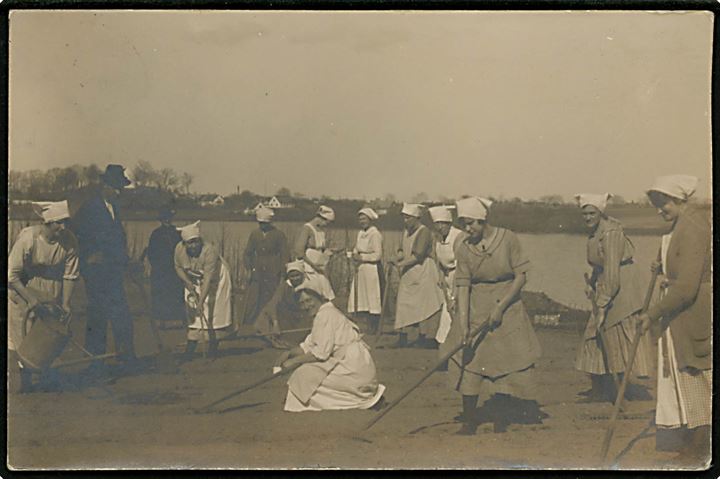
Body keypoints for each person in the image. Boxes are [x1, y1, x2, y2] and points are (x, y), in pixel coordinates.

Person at [440, 197, 543, 436]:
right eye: (464, 224)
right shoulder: (464, 246)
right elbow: (463, 285)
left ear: (482, 220)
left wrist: (500, 307)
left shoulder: (507, 239)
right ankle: (469, 420)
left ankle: (502, 418)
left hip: (508, 304)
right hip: (477, 305)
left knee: (506, 360)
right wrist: (463, 323)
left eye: (471, 224)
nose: (467, 229)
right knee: (471, 360)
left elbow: (521, 277)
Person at [638, 175, 711, 463]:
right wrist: (663, 265)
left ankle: (700, 448)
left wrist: (652, 312)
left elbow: (686, 286)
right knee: (687, 377)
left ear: (680, 200)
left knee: (696, 377)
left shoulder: (692, 227)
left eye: (663, 203)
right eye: (656, 204)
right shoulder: (681, 224)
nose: (659, 210)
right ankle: (693, 441)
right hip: (684, 312)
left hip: (693, 311)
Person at [573, 193, 651, 403]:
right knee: (597, 335)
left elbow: (613, 275)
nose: (588, 217)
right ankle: (601, 388)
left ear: (601, 212)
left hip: (623, 288)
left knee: (616, 336)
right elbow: (602, 266)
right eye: (585, 214)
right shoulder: (595, 232)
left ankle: (620, 390)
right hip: (605, 281)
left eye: (592, 213)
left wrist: (602, 302)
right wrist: (593, 284)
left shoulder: (611, 233)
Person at [274, 276, 386, 412]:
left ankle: (358, 398)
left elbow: (320, 354)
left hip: (353, 367)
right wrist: (289, 353)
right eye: (302, 303)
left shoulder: (325, 315)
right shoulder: (325, 313)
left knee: (303, 374)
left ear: (320, 298)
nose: (306, 306)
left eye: (309, 300)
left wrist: (293, 362)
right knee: (306, 374)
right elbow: (309, 345)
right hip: (354, 364)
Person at [7, 201, 79, 393]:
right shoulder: (28, 239)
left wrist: (66, 302)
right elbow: (11, 275)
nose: (63, 227)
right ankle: (20, 378)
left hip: (52, 288)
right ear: (48, 222)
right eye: (59, 223)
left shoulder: (70, 241)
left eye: (65, 222)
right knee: (23, 330)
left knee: (47, 334)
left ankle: (43, 373)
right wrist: (30, 298)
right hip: (24, 287)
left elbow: (70, 274)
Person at [72, 164, 136, 375]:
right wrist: (89, 255)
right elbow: (75, 234)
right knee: (97, 314)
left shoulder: (113, 208)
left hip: (114, 271)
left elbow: (117, 239)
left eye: (120, 188)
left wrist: (125, 260)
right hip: (96, 272)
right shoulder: (90, 207)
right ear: (105, 186)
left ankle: (125, 357)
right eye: (116, 187)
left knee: (121, 313)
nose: (119, 192)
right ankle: (95, 361)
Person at [174, 221, 235, 361]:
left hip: (216, 280)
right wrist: (188, 283)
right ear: (184, 244)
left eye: (196, 242)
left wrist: (202, 300)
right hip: (193, 278)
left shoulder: (209, 250)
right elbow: (178, 268)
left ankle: (213, 348)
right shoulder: (179, 249)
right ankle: (190, 350)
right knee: (194, 315)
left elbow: (207, 279)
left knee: (214, 313)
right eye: (190, 243)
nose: (193, 245)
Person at [392, 203, 443, 348]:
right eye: (404, 218)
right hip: (409, 272)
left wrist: (400, 265)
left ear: (416, 218)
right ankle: (402, 337)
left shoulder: (424, 232)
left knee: (424, 307)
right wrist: (398, 257)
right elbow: (402, 249)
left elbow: (418, 256)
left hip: (423, 271)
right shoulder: (406, 231)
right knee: (403, 304)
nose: (405, 221)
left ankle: (424, 338)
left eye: (408, 218)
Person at [241, 206, 289, 327]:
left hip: (273, 269)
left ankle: (273, 322)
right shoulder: (255, 234)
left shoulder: (278, 235)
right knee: (255, 297)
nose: (263, 226)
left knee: (272, 296)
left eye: (265, 223)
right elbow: (247, 253)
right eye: (260, 223)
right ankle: (251, 323)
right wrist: (249, 269)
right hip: (257, 269)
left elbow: (285, 255)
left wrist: (283, 273)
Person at [428, 205, 466, 344]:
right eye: (436, 224)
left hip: (461, 277)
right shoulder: (437, 238)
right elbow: (437, 260)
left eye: (442, 224)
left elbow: (462, 265)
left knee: (456, 306)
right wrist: (441, 277)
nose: (439, 227)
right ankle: (444, 343)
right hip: (446, 277)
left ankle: (456, 340)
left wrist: (455, 291)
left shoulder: (459, 237)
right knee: (447, 309)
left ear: (449, 223)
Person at [254, 260, 313, 349]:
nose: (295, 279)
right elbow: (274, 303)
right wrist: (275, 323)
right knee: (267, 311)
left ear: (302, 274)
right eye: (292, 276)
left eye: (297, 275)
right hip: (291, 316)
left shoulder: (310, 284)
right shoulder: (285, 285)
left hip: (306, 316)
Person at [144, 207, 185, 329]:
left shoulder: (177, 232)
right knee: (160, 295)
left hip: (174, 269)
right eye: (164, 219)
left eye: (169, 218)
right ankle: (161, 321)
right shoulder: (156, 233)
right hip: (160, 269)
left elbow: (182, 249)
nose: (167, 221)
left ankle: (180, 320)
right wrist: (157, 265)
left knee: (176, 294)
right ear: (161, 220)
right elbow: (151, 252)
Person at [347, 207, 384, 335]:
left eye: (364, 218)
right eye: (360, 219)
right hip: (360, 268)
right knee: (361, 296)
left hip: (371, 268)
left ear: (370, 219)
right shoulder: (360, 233)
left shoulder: (375, 234)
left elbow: (378, 255)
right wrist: (354, 254)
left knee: (372, 296)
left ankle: (374, 325)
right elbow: (356, 248)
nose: (362, 221)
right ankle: (363, 323)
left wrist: (362, 257)